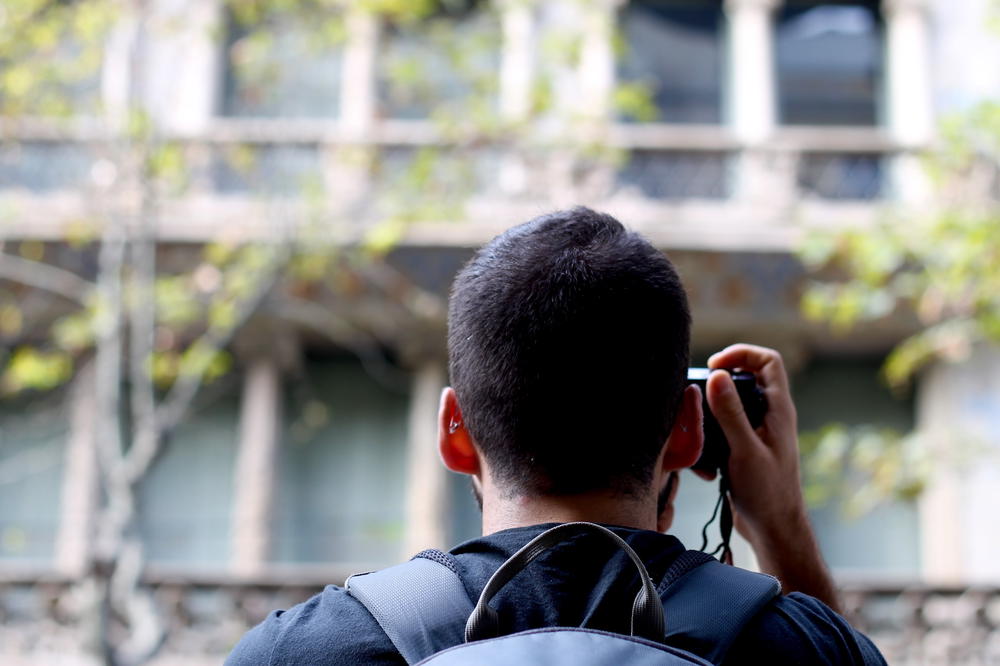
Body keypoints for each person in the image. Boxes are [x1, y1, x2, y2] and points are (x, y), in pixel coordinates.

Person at [226, 207, 886, 664]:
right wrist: (782, 524)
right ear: (687, 432)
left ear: (455, 435)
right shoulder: (797, 648)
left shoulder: (302, 651)